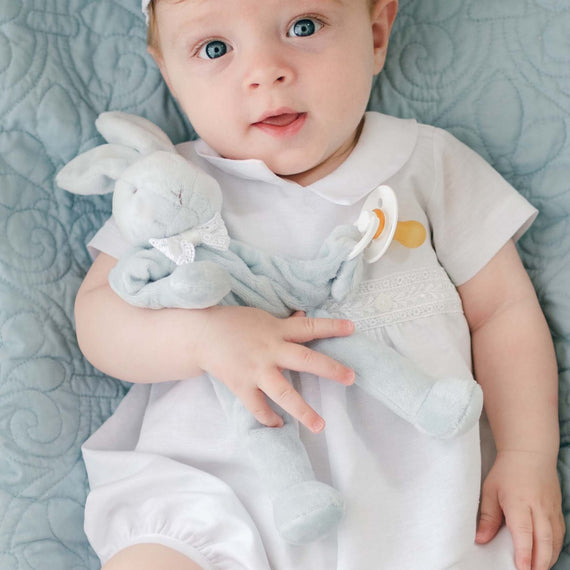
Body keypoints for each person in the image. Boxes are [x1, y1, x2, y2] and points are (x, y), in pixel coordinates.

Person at [74, 0, 565, 569]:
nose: (266, 71)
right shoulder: (169, 190)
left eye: (303, 27)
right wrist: (203, 338)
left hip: (412, 499)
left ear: (377, 35)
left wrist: (528, 452)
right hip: (217, 484)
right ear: (171, 76)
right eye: (215, 49)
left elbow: (503, 313)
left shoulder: (426, 162)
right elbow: (100, 313)